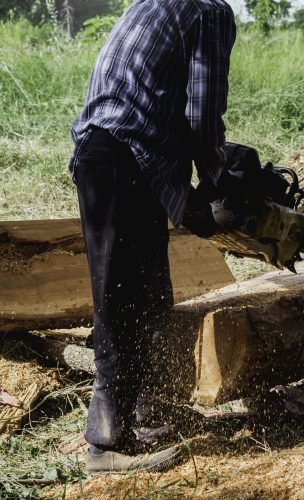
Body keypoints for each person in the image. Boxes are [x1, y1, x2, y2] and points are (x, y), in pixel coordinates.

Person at [69, 0, 236, 473]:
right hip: (125, 155)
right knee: (121, 299)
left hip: (104, 151)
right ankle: (105, 445)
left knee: (147, 292)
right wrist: (220, 185)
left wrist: (194, 195)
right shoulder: (209, 11)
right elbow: (202, 114)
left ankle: (143, 412)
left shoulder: (155, 2)